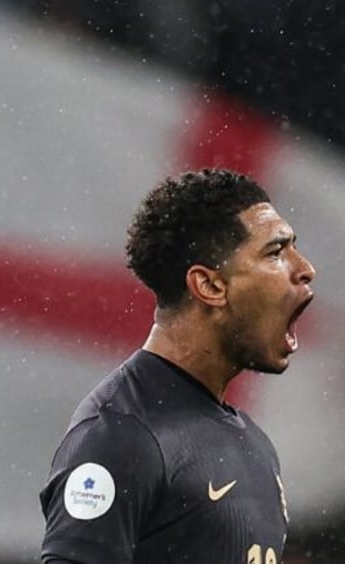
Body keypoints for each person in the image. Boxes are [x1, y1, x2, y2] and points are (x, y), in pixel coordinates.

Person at [39, 168, 316, 563]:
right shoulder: (121, 435)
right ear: (210, 286)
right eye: (275, 251)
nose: (305, 268)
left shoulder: (254, 444)